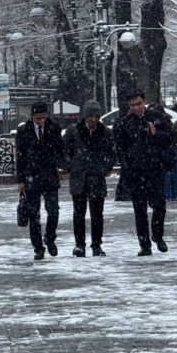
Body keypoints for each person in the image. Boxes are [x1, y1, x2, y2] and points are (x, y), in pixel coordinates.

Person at [113, 89, 175, 256]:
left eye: (139, 104)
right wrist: (126, 164)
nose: (136, 108)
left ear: (144, 102)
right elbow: (120, 147)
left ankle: (158, 235)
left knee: (159, 205)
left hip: (155, 168)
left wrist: (156, 134)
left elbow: (170, 138)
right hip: (135, 171)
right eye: (132, 105)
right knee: (139, 210)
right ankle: (144, 244)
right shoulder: (124, 123)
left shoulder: (157, 117)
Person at [62, 99, 116, 257]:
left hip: (97, 177)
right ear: (85, 116)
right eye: (90, 116)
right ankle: (79, 244)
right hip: (79, 177)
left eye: (96, 116)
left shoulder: (105, 132)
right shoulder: (73, 131)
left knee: (97, 214)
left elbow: (112, 154)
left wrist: (104, 169)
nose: (93, 119)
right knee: (79, 213)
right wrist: (70, 167)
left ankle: (96, 245)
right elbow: (63, 151)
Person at [15, 101, 66, 260]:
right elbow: (20, 156)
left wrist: (64, 166)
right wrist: (21, 180)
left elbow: (60, 149)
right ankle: (38, 247)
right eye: (38, 118)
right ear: (32, 116)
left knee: (53, 211)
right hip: (31, 177)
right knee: (33, 214)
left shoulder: (54, 128)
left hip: (50, 175)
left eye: (43, 118)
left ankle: (50, 238)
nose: (41, 121)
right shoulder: (23, 131)